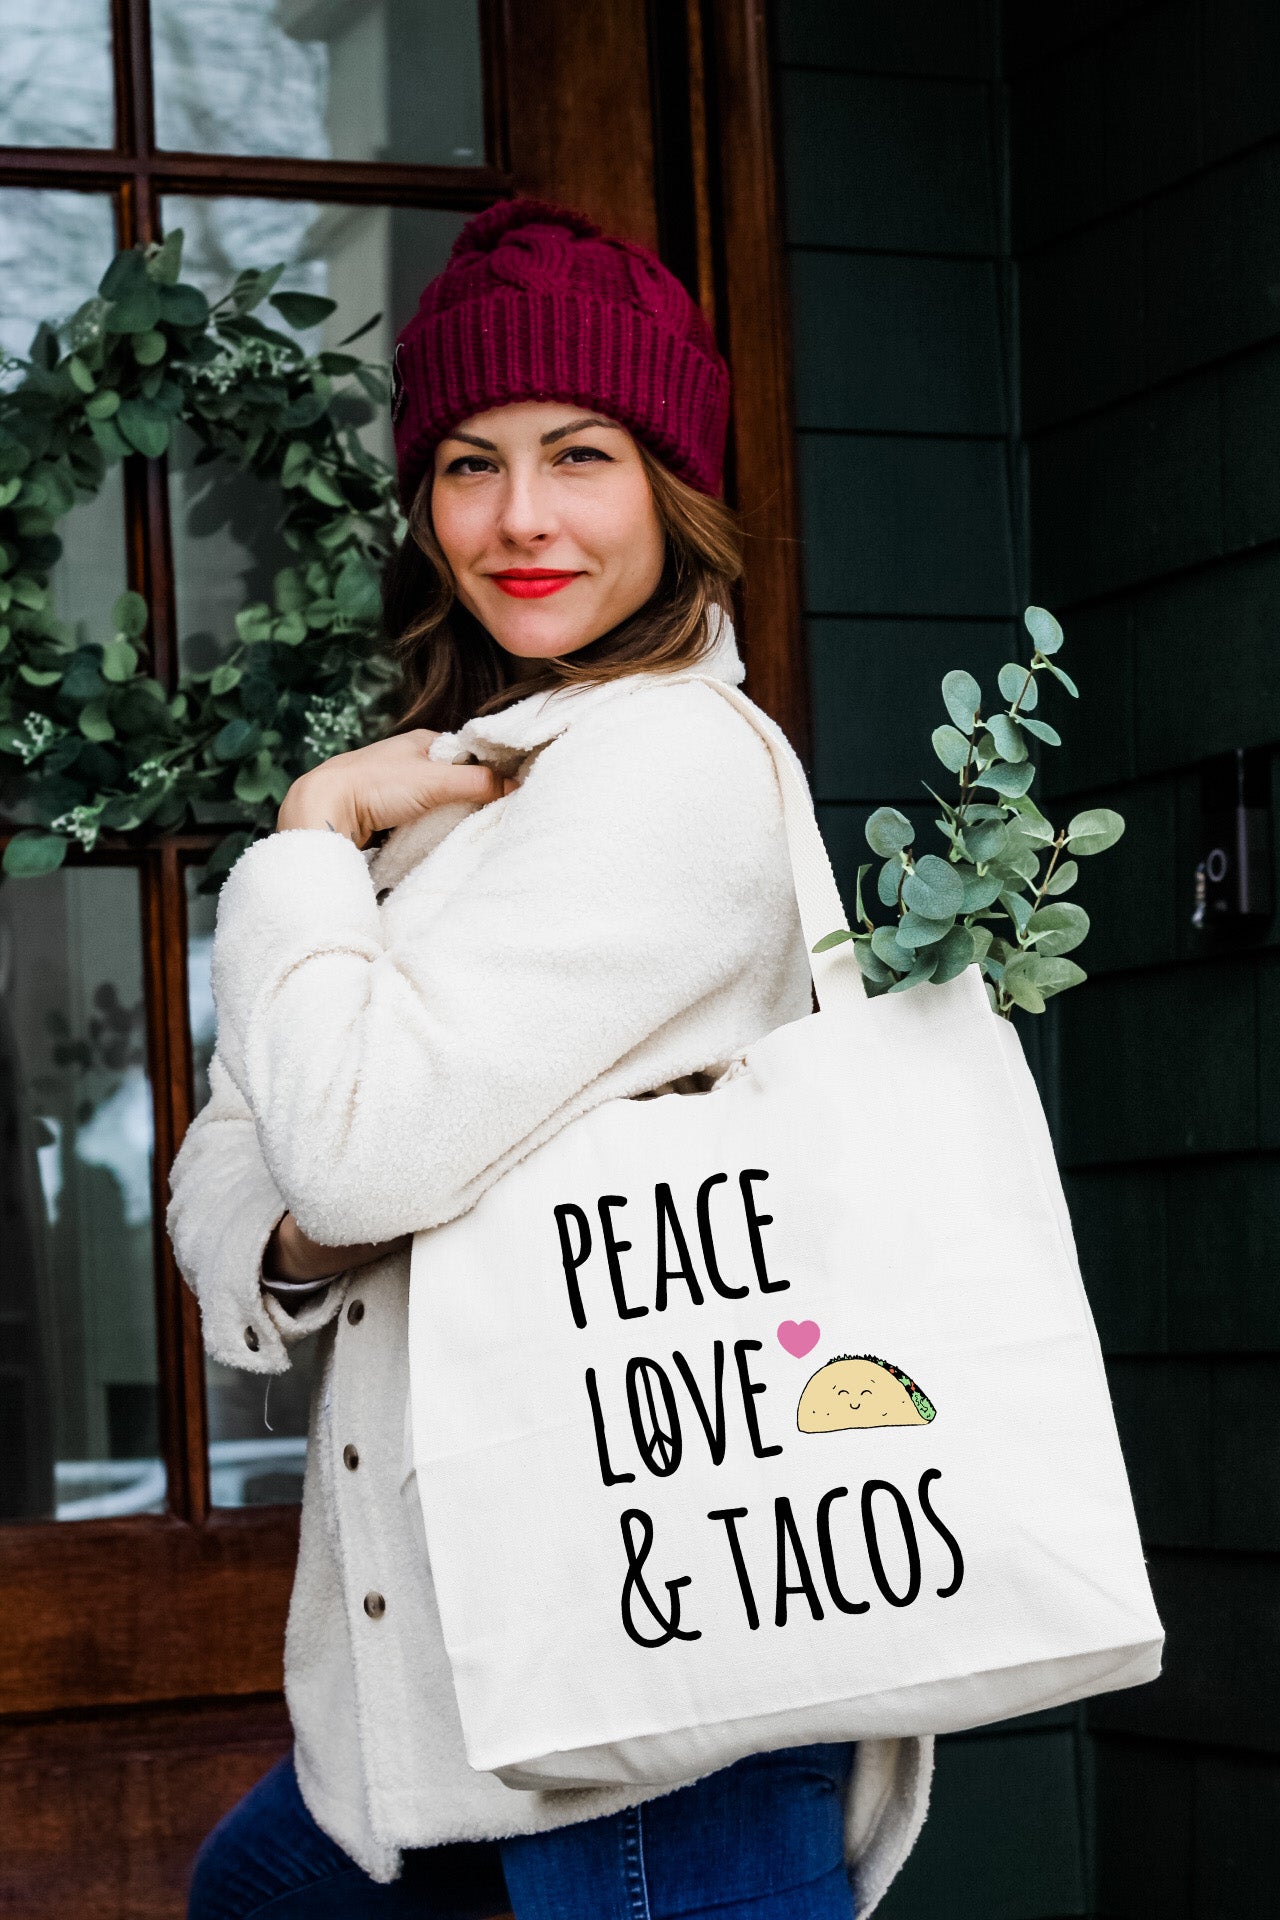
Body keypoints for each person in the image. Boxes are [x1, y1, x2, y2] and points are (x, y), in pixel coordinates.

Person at [171, 199, 932, 1920]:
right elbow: (237, 1173)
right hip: (448, 1685)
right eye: (466, 462)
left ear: (672, 485)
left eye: (578, 454)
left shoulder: (663, 768)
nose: (518, 519)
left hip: (651, 1687)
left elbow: (348, 1152)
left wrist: (304, 836)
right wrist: (311, 1205)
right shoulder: (463, 790)